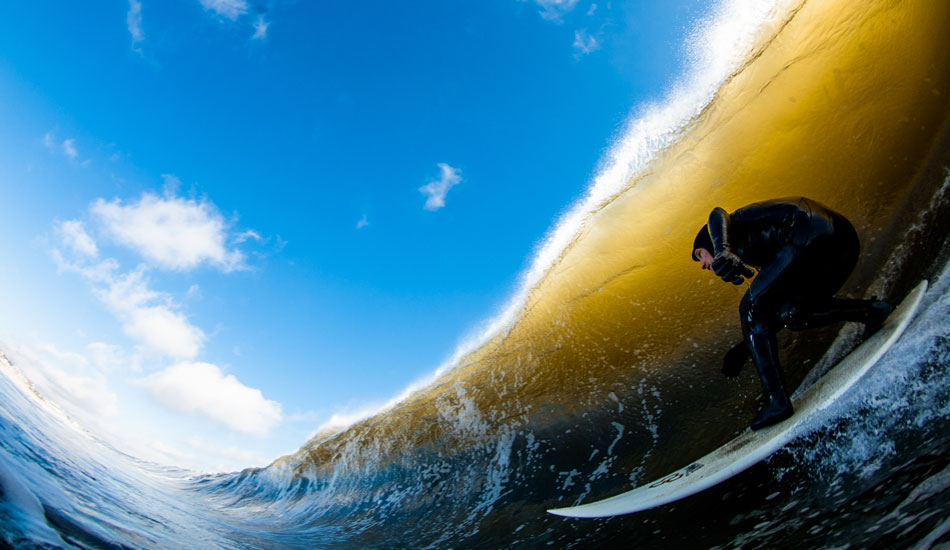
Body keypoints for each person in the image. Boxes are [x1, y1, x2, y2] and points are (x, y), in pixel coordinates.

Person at [692, 197, 892, 430]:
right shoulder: (766, 254)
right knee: (793, 314)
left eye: (699, 255)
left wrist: (721, 250)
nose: (703, 265)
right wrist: (744, 348)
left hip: (808, 230)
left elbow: (716, 212)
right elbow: (769, 316)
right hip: (838, 246)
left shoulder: (733, 225)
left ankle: (777, 402)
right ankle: (870, 311)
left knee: (749, 308)